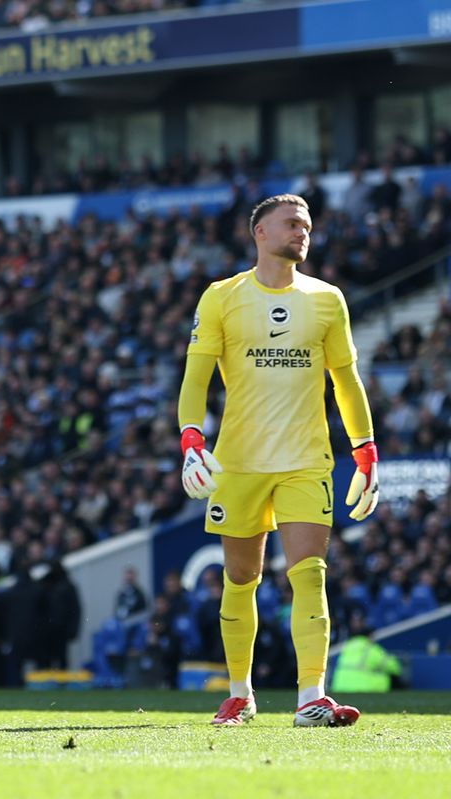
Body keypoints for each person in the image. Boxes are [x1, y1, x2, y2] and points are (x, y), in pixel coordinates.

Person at [178, 193, 380, 728]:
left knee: (309, 573)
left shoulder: (328, 299)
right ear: (259, 233)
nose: (303, 232)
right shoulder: (221, 297)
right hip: (239, 462)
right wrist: (192, 439)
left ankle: (311, 697)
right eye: (291, 224)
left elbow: (346, 379)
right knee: (240, 578)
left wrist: (365, 446)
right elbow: (196, 376)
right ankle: (240, 695)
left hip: (306, 460)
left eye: (307, 225)